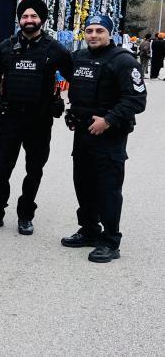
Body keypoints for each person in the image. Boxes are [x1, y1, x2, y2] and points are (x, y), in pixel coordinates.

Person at [0, 0, 74, 235]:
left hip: (39, 120)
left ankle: (25, 215)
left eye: (33, 17)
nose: (29, 21)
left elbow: (77, 79)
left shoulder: (55, 50)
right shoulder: (6, 47)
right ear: (19, 19)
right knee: (1, 168)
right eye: (24, 17)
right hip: (10, 119)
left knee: (34, 170)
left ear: (42, 20)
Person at [63, 15, 146, 263]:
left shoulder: (123, 61)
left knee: (108, 189)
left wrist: (108, 120)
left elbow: (136, 100)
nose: (93, 35)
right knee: (83, 184)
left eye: (100, 30)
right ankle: (89, 230)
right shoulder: (78, 57)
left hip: (109, 137)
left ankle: (110, 242)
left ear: (110, 33)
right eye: (89, 30)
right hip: (83, 134)